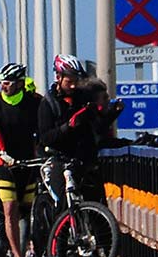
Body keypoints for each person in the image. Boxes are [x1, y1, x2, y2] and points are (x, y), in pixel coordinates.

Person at [38, 54, 123, 202]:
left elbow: (98, 128)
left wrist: (113, 114)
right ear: (58, 77)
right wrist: (68, 126)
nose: (73, 86)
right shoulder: (48, 103)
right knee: (62, 205)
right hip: (60, 161)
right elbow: (46, 138)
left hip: (85, 161)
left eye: (76, 82)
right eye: (69, 81)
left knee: (97, 205)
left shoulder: (84, 98)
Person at [0, 63, 41, 257]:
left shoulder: (33, 103)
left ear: (19, 83)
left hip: (29, 163)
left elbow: (43, 128)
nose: (3, 87)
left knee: (28, 209)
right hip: (5, 164)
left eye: (7, 83)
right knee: (10, 209)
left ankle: (33, 250)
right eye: (1, 83)